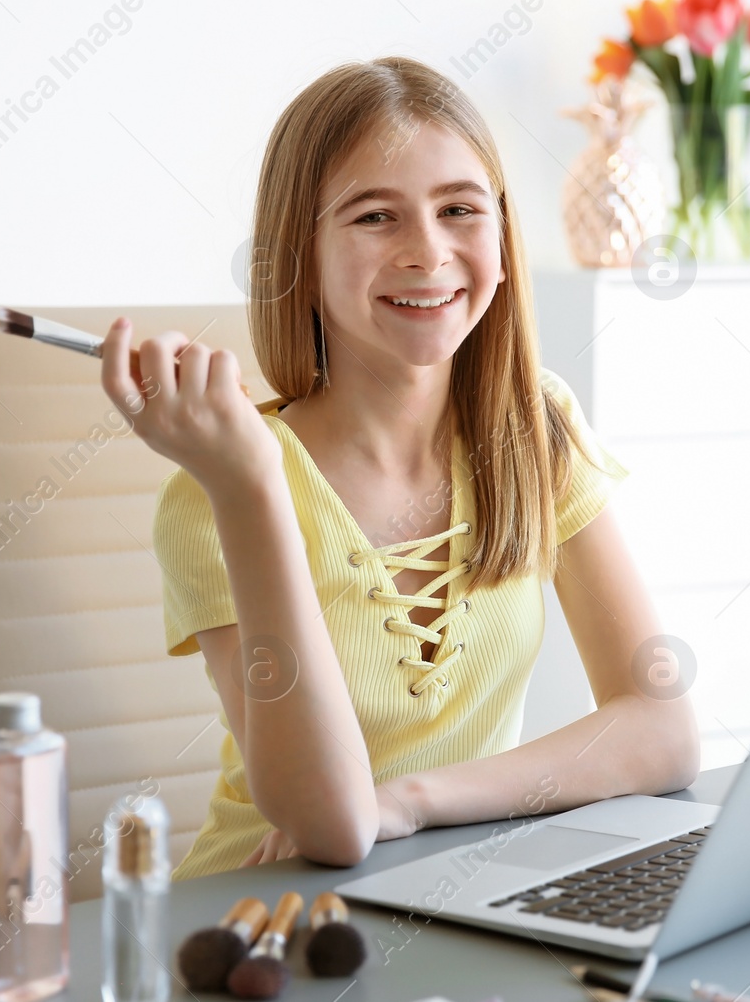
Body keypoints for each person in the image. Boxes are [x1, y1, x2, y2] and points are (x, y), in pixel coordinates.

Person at [99, 55, 698, 880]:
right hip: (270, 920)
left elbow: (663, 729)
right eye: (375, 217)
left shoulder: (536, 427)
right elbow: (333, 825)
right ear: (298, 257)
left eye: (460, 209)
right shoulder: (214, 491)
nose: (429, 252)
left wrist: (412, 798)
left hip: (458, 889)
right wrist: (249, 485)